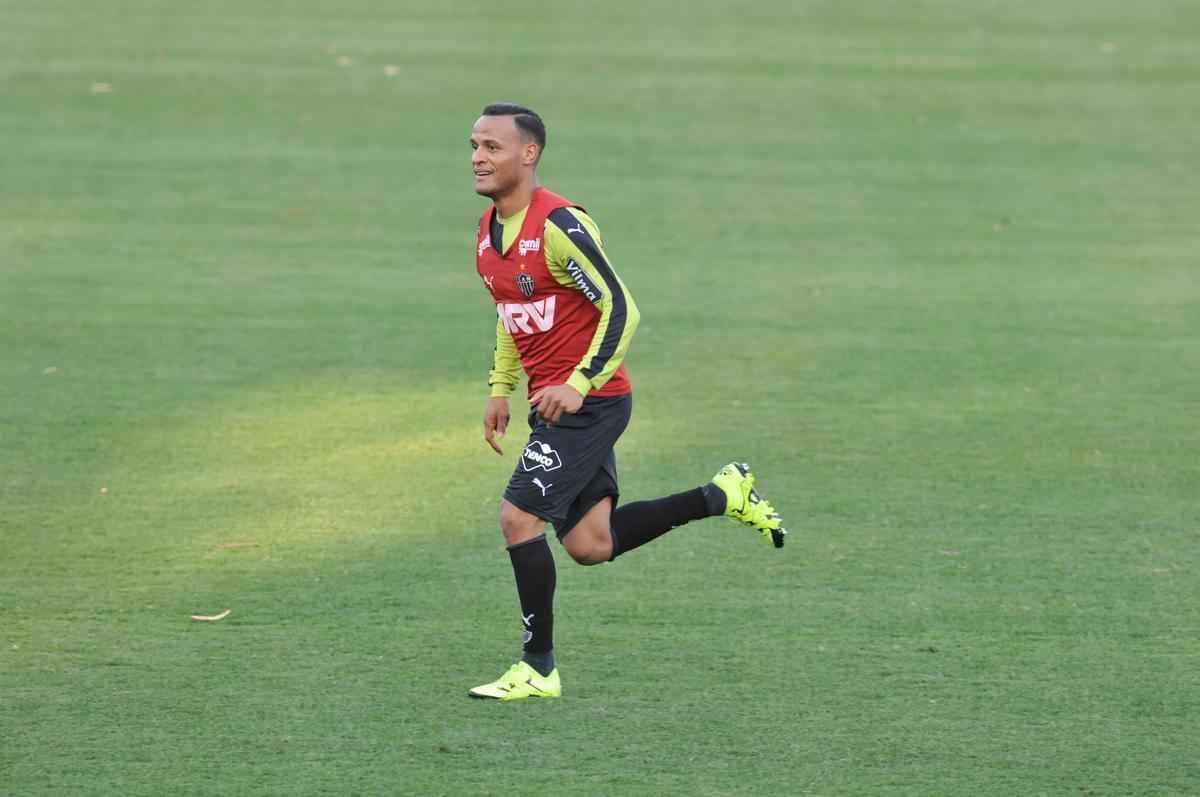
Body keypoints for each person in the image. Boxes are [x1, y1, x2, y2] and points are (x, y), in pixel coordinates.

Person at [467, 103, 786, 701]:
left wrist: (579, 382)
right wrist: (499, 390)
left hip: (589, 402)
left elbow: (622, 308)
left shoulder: (560, 225)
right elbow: (513, 317)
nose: (479, 158)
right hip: (553, 404)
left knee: (518, 520)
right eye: (475, 146)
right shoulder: (487, 235)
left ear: (528, 154)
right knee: (591, 545)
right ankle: (722, 494)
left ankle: (538, 669)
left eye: (493, 147)